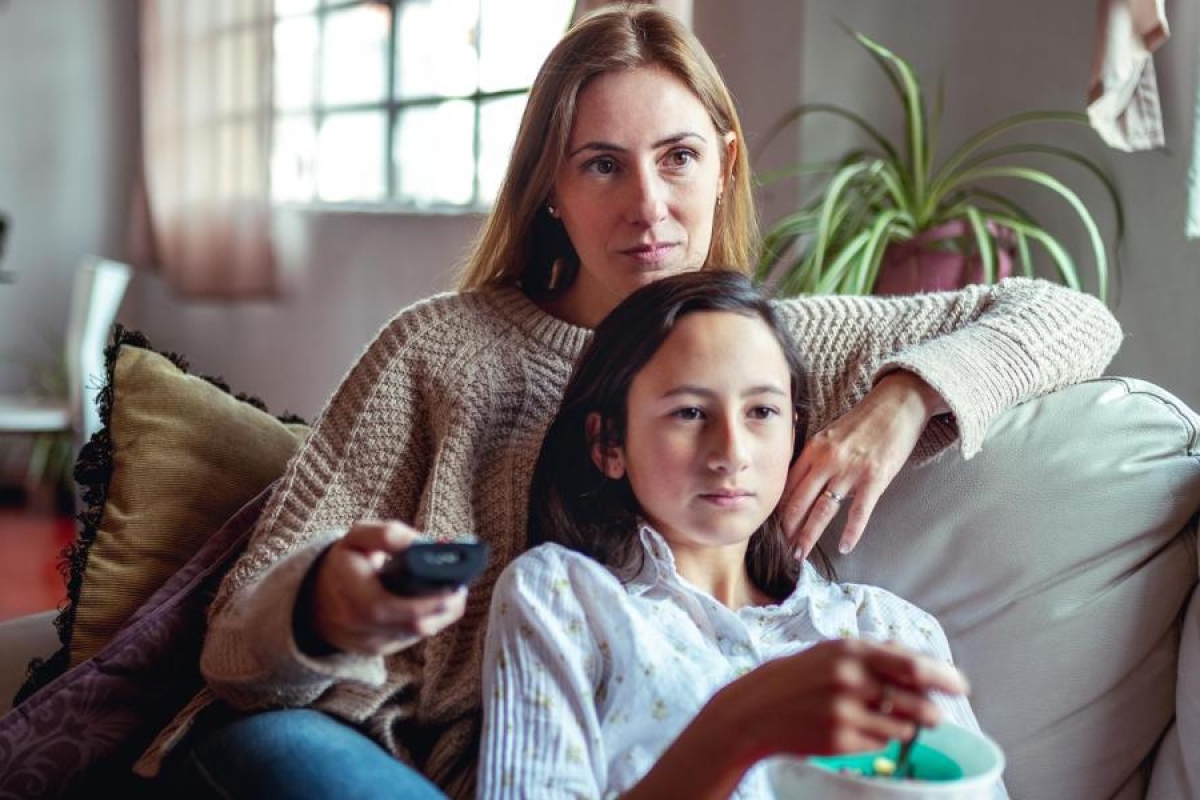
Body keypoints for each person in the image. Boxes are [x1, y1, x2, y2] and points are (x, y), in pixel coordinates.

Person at [147, 4, 1120, 798]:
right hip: (362, 749)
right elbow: (234, 648)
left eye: (679, 157)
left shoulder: (771, 348)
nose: (648, 205)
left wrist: (901, 402)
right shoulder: (439, 350)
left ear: (726, 166)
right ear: (551, 191)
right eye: (603, 164)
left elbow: (1069, 316)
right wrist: (328, 606)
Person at [479, 269, 1004, 798]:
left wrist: (909, 397)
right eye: (689, 412)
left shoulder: (890, 630)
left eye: (761, 412)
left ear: (794, 432)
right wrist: (737, 727)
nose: (731, 453)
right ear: (609, 443)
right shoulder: (564, 598)